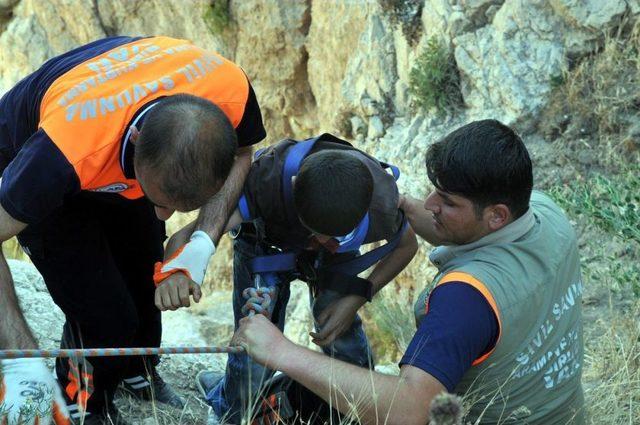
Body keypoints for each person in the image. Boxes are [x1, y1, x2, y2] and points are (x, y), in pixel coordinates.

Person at [231, 120, 585, 424]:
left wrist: (281, 352)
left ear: (497, 215)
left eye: (447, 201)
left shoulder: (467, 298)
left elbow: (412, 412)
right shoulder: (546, 214)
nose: (430, 204)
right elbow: (442, 223)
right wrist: (395, 203)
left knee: (333, 401)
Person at [0, 35, 265, 424]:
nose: (164, 215)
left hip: (112, 148)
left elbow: (243, 152)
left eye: (178, 207)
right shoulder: (54, 157)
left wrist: (203, 241)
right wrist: (18, 355)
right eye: (160, 198)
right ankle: (85, 399)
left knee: (146, 274)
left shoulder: (230, 91)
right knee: (104, 312)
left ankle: (134, 367)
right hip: (49, 153)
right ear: (138, 142)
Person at [160, 133, 418, 424]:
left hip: (332, 260)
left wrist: (357, 297)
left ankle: (360, 408)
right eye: (317, 233)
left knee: (339, 330)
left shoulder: (382, 203)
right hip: (265, 244)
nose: (321, 241)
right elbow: (192, 234)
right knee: (255, 336)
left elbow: (408, 246)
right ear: (294, 189)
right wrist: (176, 271)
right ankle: (232, 408)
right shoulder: (265, 183)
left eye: (336, 237)